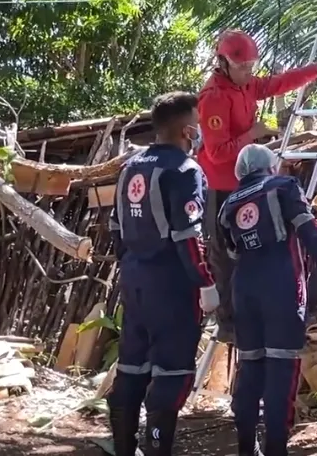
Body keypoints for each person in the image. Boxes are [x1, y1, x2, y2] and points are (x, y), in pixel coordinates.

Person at [197, 29, 317, 343]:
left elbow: (276, 84)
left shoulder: (245, 85)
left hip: (244, 184)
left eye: (251, 65)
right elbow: (217, 153)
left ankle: (253, 312)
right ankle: (229, 324)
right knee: (224, 254)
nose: (249, 72)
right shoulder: (214, 97)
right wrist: (254, 132)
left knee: (254, 248)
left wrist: (316, 70)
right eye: (242, 66)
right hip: (221, 186)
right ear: (223, 63)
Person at [107, 92, 218, 456]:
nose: (200, 131)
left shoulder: (129, 167)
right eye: (198, 125)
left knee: (132, 366)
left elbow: (115, 228)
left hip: (135, 281)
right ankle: (157, 449)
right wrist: (205, 282)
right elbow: (189, 236)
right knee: (171, 374)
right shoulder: (185, 171)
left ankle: (125, 449)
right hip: (173, 286)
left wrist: (134, 265)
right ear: (187, 130)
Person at [219, 144, 317, 456]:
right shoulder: (283, 187)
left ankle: (247, 449)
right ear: (270, 166)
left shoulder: (228, 206)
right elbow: (309, 229)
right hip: (282, 288)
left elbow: (231, 253)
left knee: (250, 370)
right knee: (281, 371)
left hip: (244, 290)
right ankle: (276, 449)